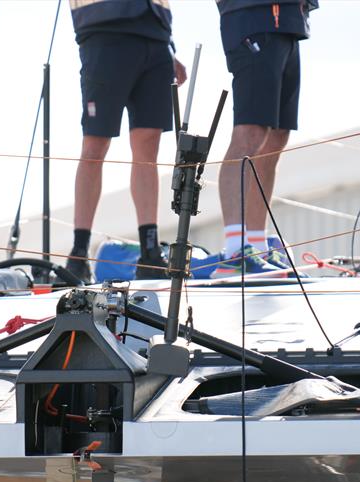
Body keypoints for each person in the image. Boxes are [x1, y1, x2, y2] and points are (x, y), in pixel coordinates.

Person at [65, 0, 187, 283]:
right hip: (103, 30)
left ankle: (150, 251)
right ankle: (79, 253)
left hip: (155, 35)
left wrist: (167, 47)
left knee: (148, 147)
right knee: (95, 145)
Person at [212, 0, 318, 277]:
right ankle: (235, 252)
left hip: (289, 22)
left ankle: (256, 246)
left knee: (276, 138)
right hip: (252, 19)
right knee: (250, 133)